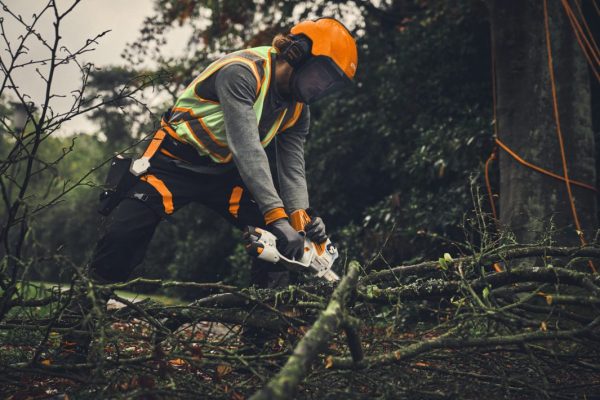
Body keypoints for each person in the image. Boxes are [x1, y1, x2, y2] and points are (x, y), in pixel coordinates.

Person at [89, 17, 359, 288]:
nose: (320, 88)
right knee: (124, 233)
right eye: (321, 76)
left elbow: (292, 167)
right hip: (174, 160)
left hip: (225, 172)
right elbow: (247, 148)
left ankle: (266, 324)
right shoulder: (242, 73)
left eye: (329, 84)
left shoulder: (298, 111)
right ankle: (87, 311)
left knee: (277, 240)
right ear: (297, 53)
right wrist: (278, 216)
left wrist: (301, 220)